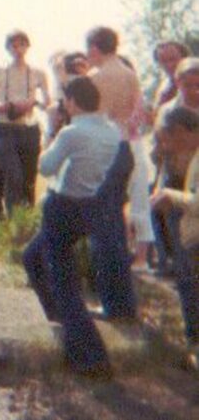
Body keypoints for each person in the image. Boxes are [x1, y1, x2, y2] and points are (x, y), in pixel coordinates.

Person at [22, 76, 134, 378]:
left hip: (61, 205)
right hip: (88, 205)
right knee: (32, 258)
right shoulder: (112, 131)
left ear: (72, 101)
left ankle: (89, 355)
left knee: (63, 281)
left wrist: (53, 133)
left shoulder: (72, 132)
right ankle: (62, 320)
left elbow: (45, 166)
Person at [87, 26, 154, 262]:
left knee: (104, 210)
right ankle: (138, 260)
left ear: (95, 48)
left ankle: (109, 264)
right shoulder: (130, 74)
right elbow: (137, 112)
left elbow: (93, 117)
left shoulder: (96, 77)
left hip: (105, 146)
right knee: (134, 202)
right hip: (129, 142)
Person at [149, 105, 199, 369]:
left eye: (167, 137)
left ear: (181, 132)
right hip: (186, 234)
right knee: (187, 286)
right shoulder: (176, 157)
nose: (164, 144)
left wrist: (171, 197)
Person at [0, 30, 51, 213]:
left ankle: (28, 222)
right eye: (13, 45)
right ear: (7, 48)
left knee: (29, 178)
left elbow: (48, 101)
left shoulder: (38, 73)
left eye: (22, 45)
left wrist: (33, 102)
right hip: (5, 126)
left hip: (29, 127)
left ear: (27, 47)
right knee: (13, 175)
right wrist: (0, 105)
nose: (18, 49)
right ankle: (14, 221)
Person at [151, 58, 199, 276]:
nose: (195, 91)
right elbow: (158, 149)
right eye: (189, 85)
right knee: (182, 252)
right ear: (178, 82)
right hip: (175, 183)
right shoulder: (166, 111)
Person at [152, 41, 191, 111]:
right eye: (163, 61)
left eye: (172, 59)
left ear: (185, 58)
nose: (169, 65)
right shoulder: (163, 90)